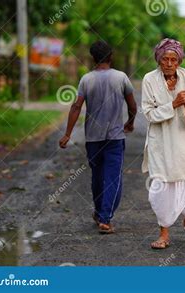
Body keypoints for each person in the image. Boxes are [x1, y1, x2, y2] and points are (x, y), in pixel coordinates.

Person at [59, 41, 137, 234]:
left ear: (93, 58)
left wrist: (68, 134)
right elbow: (132, 105)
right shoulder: (121, 77)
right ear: (111, 57)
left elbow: (76, 106)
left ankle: (100, 212)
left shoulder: (86, 79)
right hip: (115, 138)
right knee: (113, 178)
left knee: (97, 177)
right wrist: (130, 122)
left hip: (93, 138)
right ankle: (105, 219)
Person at [141, 38, 185, 249]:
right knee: (162, 187)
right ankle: (164, 233)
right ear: (158, 60)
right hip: (162, 143)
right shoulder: (149, 79)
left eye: (173, 60)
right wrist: (173, 104)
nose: (169, 63)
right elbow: (148, 114)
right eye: (165, 59)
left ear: (179, 61)